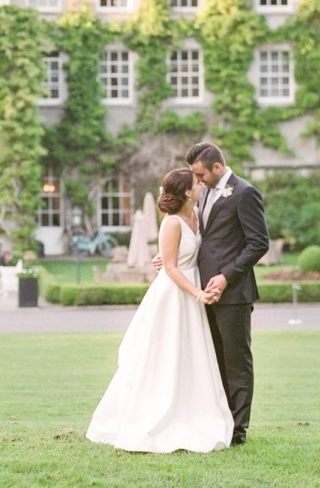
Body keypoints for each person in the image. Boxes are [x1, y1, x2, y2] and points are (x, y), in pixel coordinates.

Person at [86, 167, 234, 454]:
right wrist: (197, 293)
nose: (202, 185)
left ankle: (194, 411)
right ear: (188, 192)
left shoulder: (197, 215)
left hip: (192, 290)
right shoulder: (172, 223)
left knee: (191, 355)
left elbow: (191, 252)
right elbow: (169, 268)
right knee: (164, 355)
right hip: (174, 295)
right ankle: (151, 415)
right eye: (196, 183)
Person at [153, 141, 269, 447]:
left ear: (217, 168)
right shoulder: (201, 197)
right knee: (212, 361)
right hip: (201, 293)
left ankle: (237, 432)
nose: (198, 180)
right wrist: (169, 257)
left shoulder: (245, 193)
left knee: (236, 361)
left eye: (200, 174)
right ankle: (218, 421)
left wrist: (227, 276)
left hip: (233, 294)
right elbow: (202, 239)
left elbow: (258, 243)